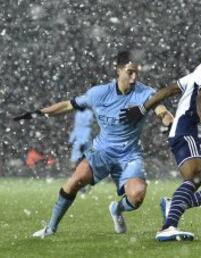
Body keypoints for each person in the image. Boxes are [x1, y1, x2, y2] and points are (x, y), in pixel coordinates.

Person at [13, 50, 174, 238]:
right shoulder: (99, 93)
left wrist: (170, 122)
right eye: (130, 72)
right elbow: (67, 105)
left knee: (137, 197)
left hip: (129, 154)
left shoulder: (145, 93)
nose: (134, 77)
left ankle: (117, 209)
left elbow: (162, 111)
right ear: (118, 70)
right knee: (75, 181)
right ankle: (50, 228)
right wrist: (38, 113)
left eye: (137, 72)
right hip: (102, 151)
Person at [120, 40, 201, 241]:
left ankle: (177, 204)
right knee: (195, 175)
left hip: (196, 133)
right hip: (187, 130)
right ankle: (168, 227)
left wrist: (143, 108)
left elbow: (171, 89)